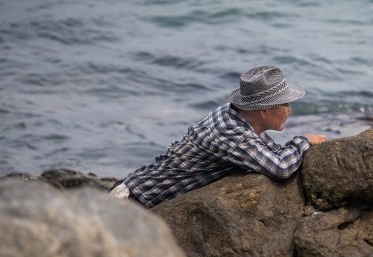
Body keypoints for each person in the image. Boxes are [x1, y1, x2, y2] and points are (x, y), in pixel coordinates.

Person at [111, 65, 327, 208]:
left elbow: (268, 151)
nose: (290, 111)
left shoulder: (232, 113)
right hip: (133, 201)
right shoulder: (232, 134)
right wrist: (304, 141)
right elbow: (280, 168)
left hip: (136, 190)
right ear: (264, 109)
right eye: (286, 104)